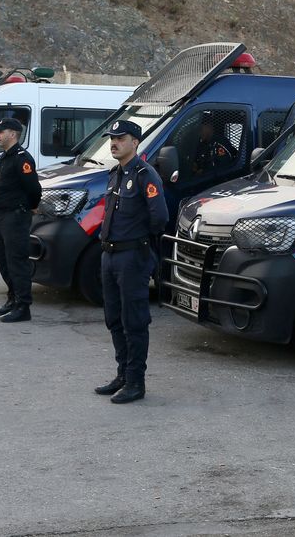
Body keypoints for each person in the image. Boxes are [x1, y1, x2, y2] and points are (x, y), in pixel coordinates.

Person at [95, 119, 169, 404]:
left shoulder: (145, 175)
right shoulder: (115, 173)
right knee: (114, 318)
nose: (114, 142)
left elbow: (159, 217)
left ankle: (136, 382)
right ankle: (123, 374)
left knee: (134, 321)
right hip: (110, 255)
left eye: (120, 138)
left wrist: (140, 244)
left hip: (132, 257)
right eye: (112, 138)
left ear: (135, 142)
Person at [0, 117, 41, 323]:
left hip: (15, 216)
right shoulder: (6, 156)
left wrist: (32, 206)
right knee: (2, 259)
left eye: (1, 132)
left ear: (13, 134)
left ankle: (23, 306)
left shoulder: (22, 158)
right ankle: (12, 298)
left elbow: (34, 188)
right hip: (2, 215)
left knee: (17, 261)